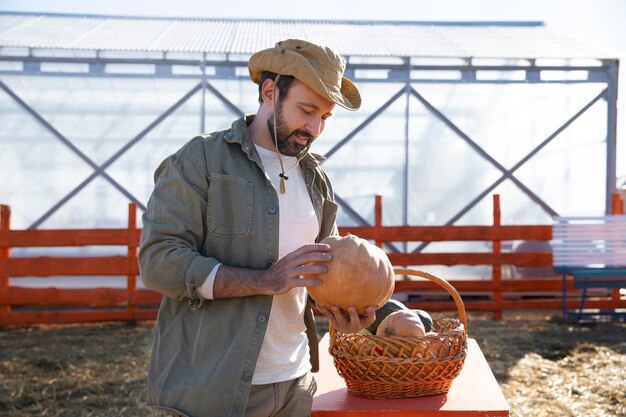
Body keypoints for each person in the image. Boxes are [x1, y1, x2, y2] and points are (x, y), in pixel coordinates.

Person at [139, 39, 376, 417]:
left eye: (325, 117)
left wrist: (342, 311)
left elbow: (315, 279)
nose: (314, 127)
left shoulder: (317, 180)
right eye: (306, 109)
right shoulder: (199, 161)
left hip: (297, 382)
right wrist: (266, 280)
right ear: (269, 92)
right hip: (214, 387)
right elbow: (158, 261)